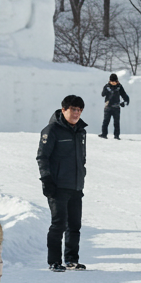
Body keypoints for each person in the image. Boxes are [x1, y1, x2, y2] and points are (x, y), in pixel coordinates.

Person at [38, 94, 88, 272]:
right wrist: (46, 180)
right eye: (73, 109)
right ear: (64, 109)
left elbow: (81, 158)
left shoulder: (81, 131)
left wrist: (82, 174)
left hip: (75, 186)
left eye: (80, 110)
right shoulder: (51, 130)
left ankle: (71, 259)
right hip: (57, 186)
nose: (77, 113)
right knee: (58, 224)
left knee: (74, 225)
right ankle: (54, 261)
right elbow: (42, 157)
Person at [99, 73, 129, 139]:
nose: (113, 83)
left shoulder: (119, 87)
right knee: (106, 121)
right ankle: (104, 134)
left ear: (117, 81)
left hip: (116, 107)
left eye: (114, 82)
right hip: (108, 107)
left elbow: (124, 95)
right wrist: (106, 90)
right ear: (109, 81)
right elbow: (102, 94)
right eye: (111, 81)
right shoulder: (107, 87)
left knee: (116, 122)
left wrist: (125, 102)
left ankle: (116, 136)